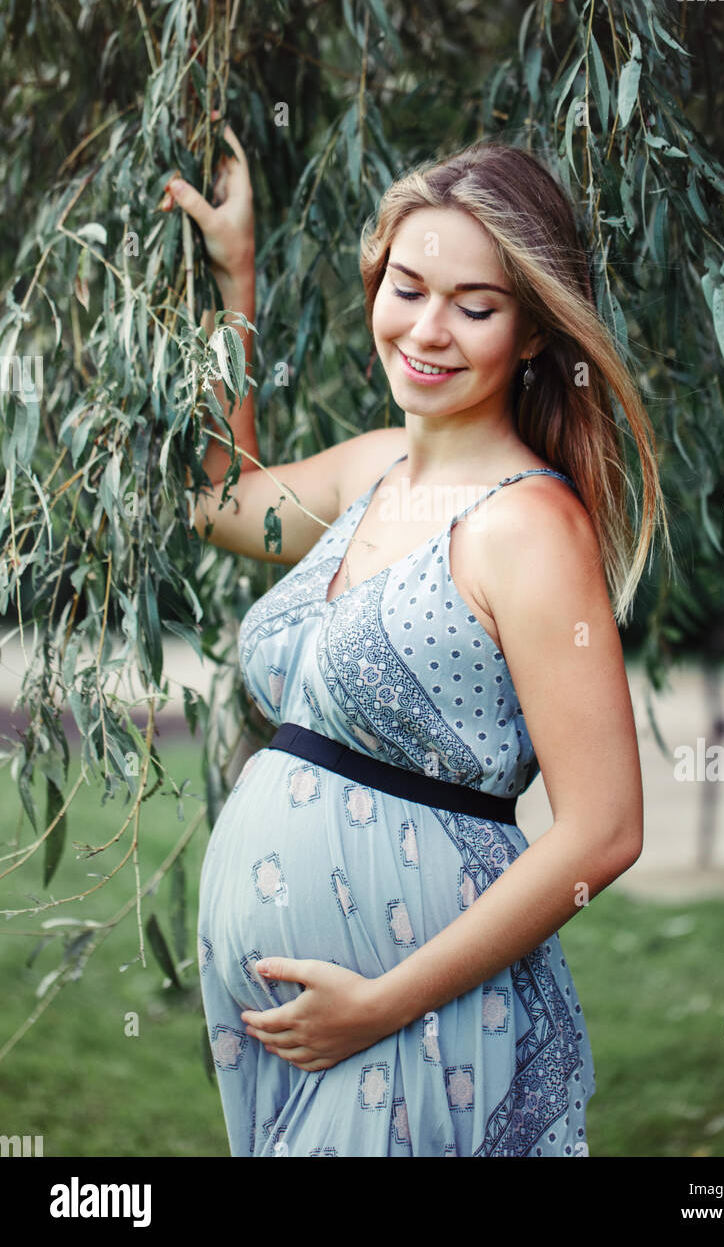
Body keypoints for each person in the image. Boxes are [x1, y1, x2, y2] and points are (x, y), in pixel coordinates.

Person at [166, 118, 667, 1157]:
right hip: (304, 1036)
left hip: (418, 1024)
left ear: (531, 331)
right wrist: (234, 280)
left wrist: (384, 1003)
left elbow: (604, 828)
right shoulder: (376, 469)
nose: (428, 331)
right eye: (407, 288)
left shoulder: (529, 524)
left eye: (473, 306)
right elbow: (216, 498)